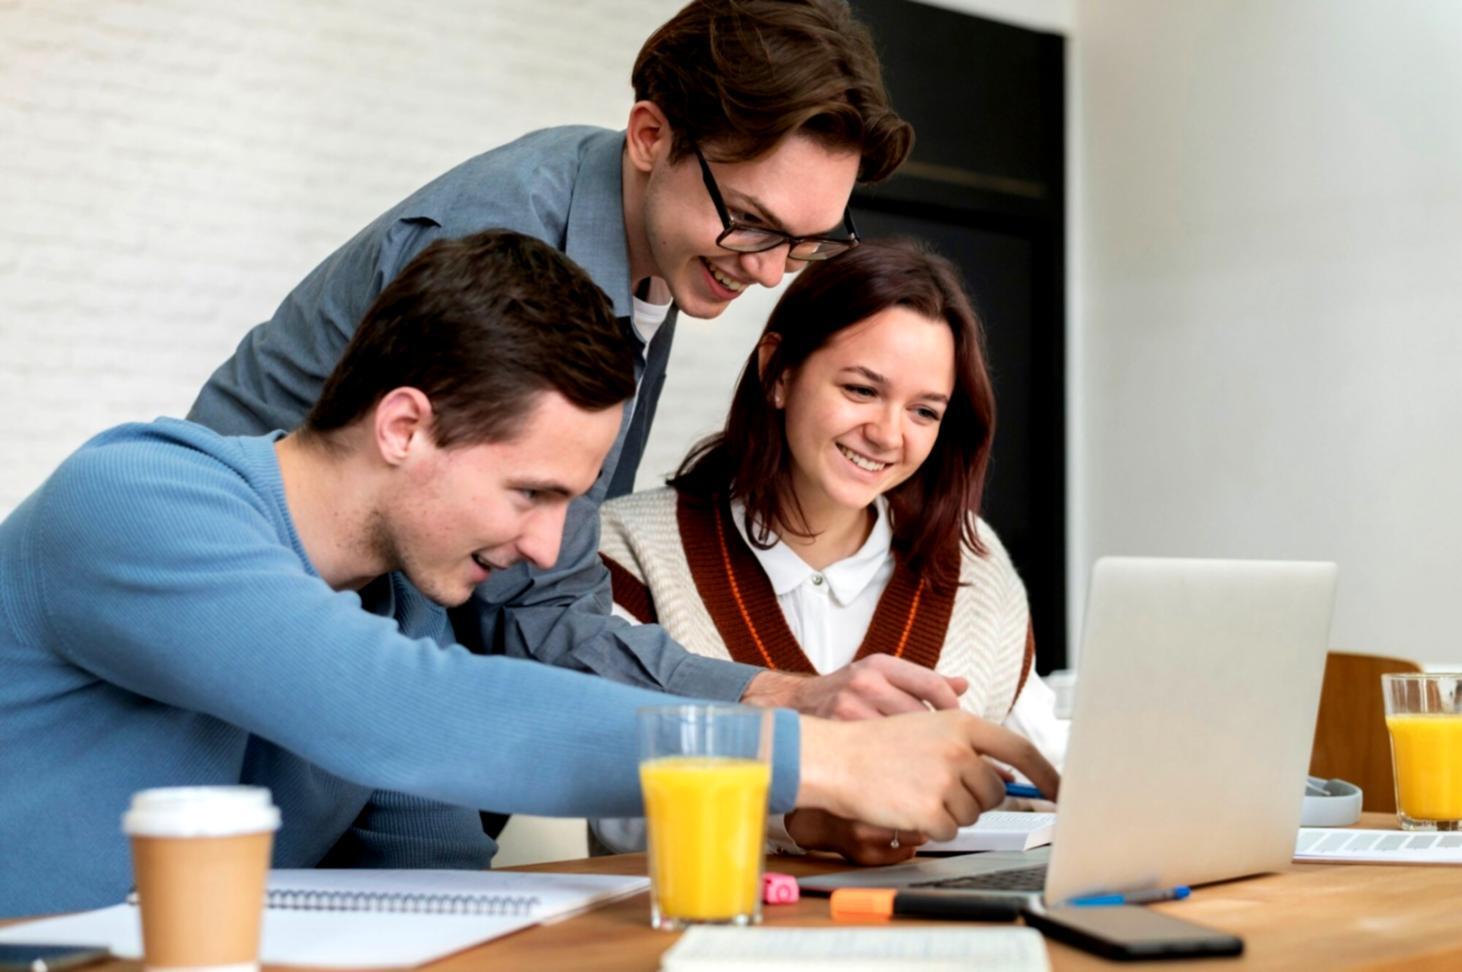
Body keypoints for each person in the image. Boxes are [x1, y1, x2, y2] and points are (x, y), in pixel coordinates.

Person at [0, 231, 1058, 918]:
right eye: (531, 494)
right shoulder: (137, 501)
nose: (551, 553)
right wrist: (820, 760)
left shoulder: (408, 588)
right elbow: (406, 714)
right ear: (406, 426)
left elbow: (424, 870)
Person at [185, 0, 958, 720]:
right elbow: (535, 609)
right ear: (652, 137)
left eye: (804, 243)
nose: (765, 271)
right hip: (247, 653)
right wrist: (783, 702)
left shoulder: (662, 241)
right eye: (753, 224)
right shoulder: (506, 242)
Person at [596, 239, 1069, 863]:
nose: (888, 434)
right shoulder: (631, 550)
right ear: (779, 371)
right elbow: (611, 800)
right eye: (861, 390)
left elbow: (1042, 766)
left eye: (924, 411)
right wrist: (800, 819)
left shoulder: (973, 565)